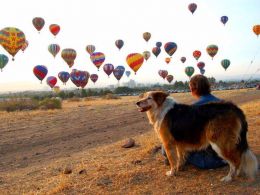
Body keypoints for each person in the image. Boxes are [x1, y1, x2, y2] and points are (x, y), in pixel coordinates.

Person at [162, 74, 227, 169]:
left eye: (190, 88)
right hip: (225, 151)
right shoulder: (223, 104)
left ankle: (178, 161)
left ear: (193, 89)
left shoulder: (194, 108)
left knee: (166, 145)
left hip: (207, 159)